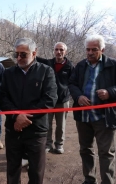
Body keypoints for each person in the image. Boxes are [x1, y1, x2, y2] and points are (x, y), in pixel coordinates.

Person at [0, 38, 57, 184]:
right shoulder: (8, 73)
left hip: (37, 129)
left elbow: (49, 99)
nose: (19, 58)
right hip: (13, 128)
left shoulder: (46, 71)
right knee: (13, 169)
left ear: (34, 52)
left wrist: (25, 118)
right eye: (16, 54)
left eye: (23, 54)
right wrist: (16, 116)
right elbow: (2, 98)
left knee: (36, 171)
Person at [69, 34, 116, 184]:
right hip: (83, 116)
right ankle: (89, 180)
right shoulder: (81, 65)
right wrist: (78, 97)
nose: (89, 53)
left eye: (94, 50)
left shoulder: (112, 65)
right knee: (85, 150)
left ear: (102, 49)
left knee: (106, 152)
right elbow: (72, 84)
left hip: (104, 117)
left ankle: (107, 181)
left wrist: (110, 92)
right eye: (87, 49)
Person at [46, 42, 74, 154]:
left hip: (62, 100)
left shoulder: (70, 66)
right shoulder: (48, 63)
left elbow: (73, 83)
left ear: (65, 51)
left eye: (61, 49)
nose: (59, 52)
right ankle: (47, 144)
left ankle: (59, 144)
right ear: (54, 51)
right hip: (48, 100)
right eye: (56, 49)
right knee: (47, 124)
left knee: (61, 125)